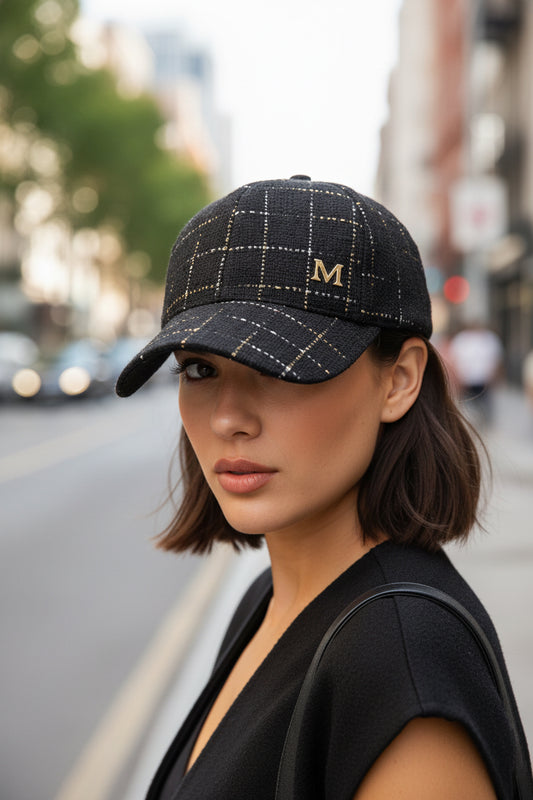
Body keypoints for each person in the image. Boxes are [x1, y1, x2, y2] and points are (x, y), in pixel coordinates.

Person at [116, 176, 532, 800]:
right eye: (200, 369)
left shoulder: (401, 665)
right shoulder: (270, 597)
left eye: (280, 368)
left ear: (399, 380)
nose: (229, 417)